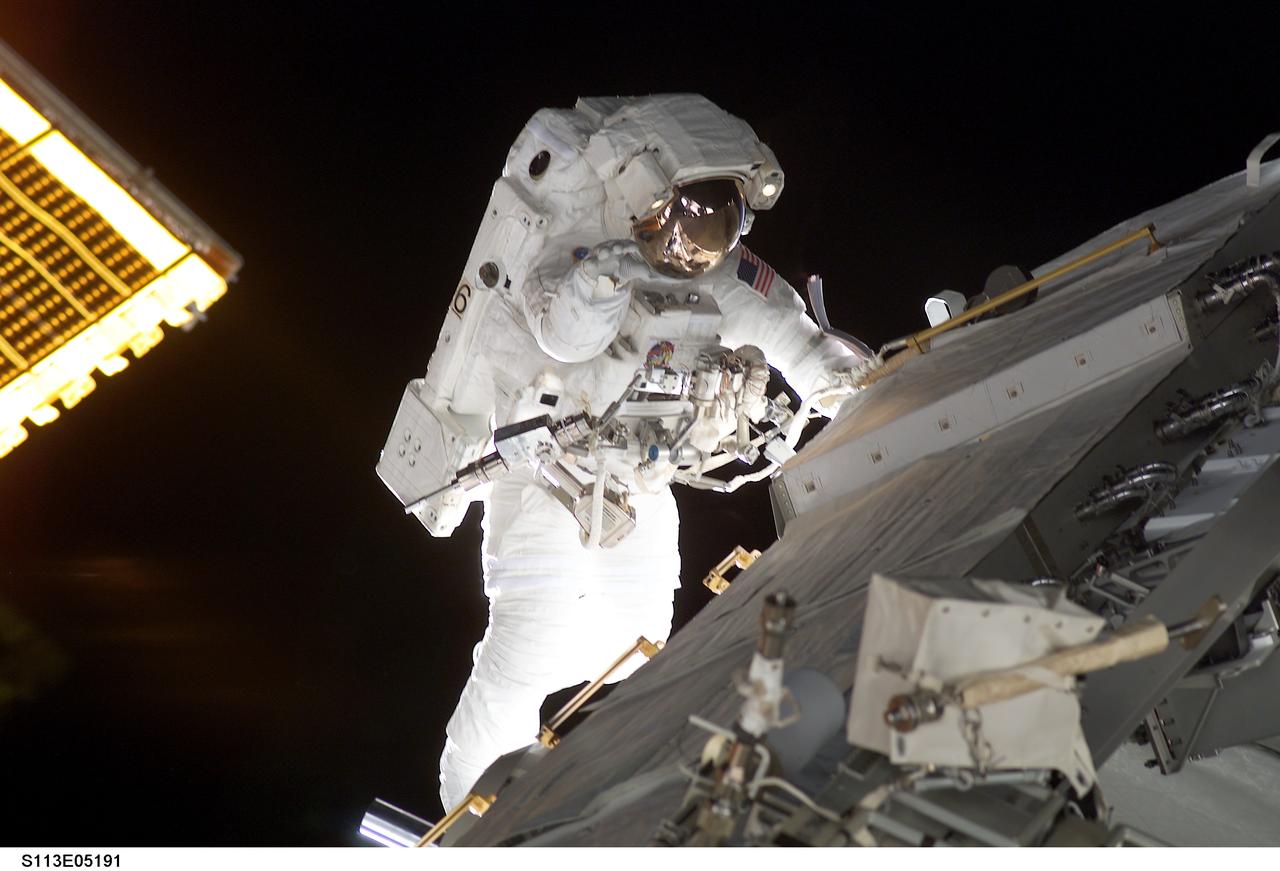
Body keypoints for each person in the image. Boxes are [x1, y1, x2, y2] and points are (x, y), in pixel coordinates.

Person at [413, 94, 870, 809]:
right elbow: (564, 335)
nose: (703, 244)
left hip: (639, 484)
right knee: (527, 647)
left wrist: (851, 388)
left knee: (640, 640)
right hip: (547, 483)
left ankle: (569, 766)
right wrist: (606, 277)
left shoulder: (718, 272)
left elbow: (792, 336)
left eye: (723, 221)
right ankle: (467, 811)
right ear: (647, 199)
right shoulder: (573, 255)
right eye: (692, 221)